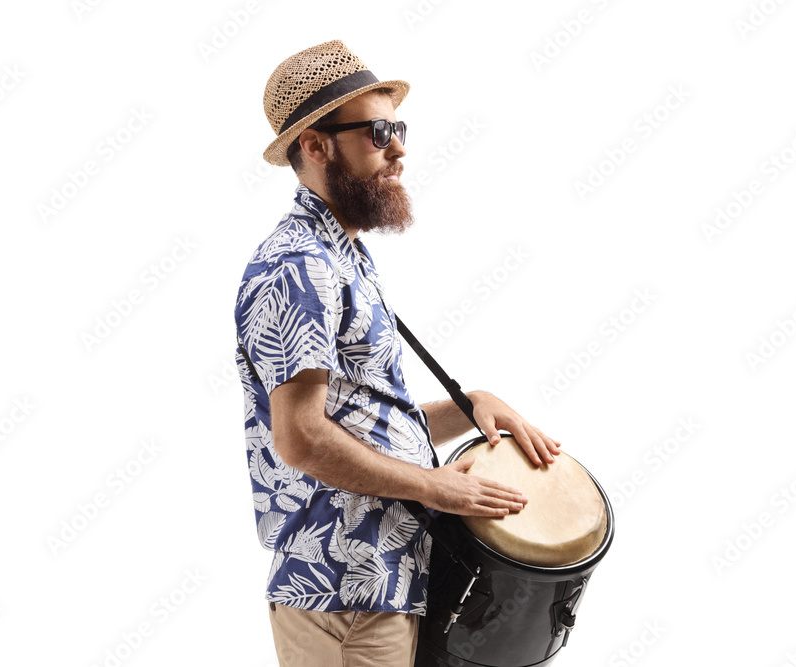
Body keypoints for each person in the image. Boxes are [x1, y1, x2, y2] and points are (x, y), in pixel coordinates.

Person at [234, 40, 562, 667]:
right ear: (316, 145)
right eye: (379, 131)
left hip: (380, 581)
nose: (399, 148)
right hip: (340, 589)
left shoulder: (343, 257)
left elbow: (358, 419)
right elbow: (300, 437)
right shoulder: (298, 265)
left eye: (399, 127)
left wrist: (466, 407)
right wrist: (436, 488)